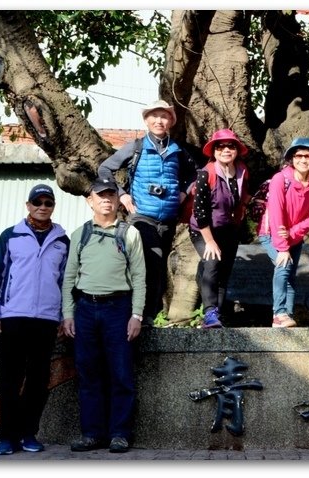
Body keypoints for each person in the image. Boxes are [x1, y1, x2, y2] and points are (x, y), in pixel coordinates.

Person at [61, 176, 146, 454]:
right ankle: (92, 433)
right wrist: (68, 314)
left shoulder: (130, 234)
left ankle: (119, 433)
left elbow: (140, 278)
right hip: (85, 309)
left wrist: (137, 315)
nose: (106, 200)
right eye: (101, 196)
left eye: (111, 195)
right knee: (88, 374)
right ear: (90, 201)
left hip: (118, 309)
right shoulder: (80, 234)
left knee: (121, 373)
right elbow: (69, 277)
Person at [0, 184, 70, 455]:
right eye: (38, 202)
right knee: (9, 379)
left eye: (48, 203)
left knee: (38, 380)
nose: (43, 207)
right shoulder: (10, 236)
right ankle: (7, 437)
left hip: (45, 320)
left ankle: (28, 433)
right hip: (13, 317)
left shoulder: (62, 242)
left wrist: (64, 317)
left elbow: (67, 282)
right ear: (28, 205)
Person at [98, 99, 197, 325]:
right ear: (146, 120)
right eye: (154, 116)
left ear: (171, 121)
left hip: (169, 218)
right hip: (142, 217)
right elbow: (105, 168)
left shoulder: (178, 149)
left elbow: (196, 173)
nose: (159, 120)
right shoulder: (136, 147)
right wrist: (121, 194)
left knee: (160, 268)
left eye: (164, 116)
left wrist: (183, 192)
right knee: (150, 263)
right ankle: (139, 315)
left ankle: (149, 316)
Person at [258, 137, 309, 328]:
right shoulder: (280, 179)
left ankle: (288, 314)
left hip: (294, 237)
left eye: (308, 156)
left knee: (291, 275)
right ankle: (278, 314)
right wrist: (283, 246)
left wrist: (293, 234)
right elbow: (277, 213)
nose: (303, 160)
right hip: (271, 233)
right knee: (283, 267)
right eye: (299, 155)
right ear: (292, 158)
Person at [189, 129, 251, 329]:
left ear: (237, 150)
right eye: (220, 146)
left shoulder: (242, 171)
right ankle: (209, 312)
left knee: (224, 272)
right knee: (213, 263)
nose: (226, 150)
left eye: (231, 146)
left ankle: (218, 314)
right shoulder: (206, 174)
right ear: (214, 151)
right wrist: (209, 241)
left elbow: (242, 198)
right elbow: (199, 212)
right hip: (203, 229)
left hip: (229, 229)